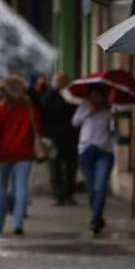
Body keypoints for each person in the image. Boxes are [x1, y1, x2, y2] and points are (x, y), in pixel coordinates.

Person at [0, 77, 40, 236]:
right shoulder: (29, 109)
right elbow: (37, 128)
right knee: (21, 188)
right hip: (24, 153)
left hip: (5, 153)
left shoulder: (0, 110)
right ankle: (18, 223)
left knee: (2, 187)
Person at [72, 84, 114, 235]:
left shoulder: (109, 108)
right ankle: (98, 215)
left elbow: (116, 126)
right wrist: (89, 112)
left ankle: (95, 219)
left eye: (98, 95)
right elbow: (75, 122)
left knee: (99, 186)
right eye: (92, 94)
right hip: (86, 151)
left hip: (104, 151)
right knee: (91, 188)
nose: (95, 98)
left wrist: (109, 110)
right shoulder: (84, 106)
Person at [41, 73, 79, 206]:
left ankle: (68, 195)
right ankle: (58, 195)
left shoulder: (72, 97)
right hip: (55, 139)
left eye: (60, 81)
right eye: (56, 81)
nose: (57, 83)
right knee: (55, 168)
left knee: (70, 168)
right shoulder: (49, 96)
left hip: (71, 138)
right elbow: (43, 115)